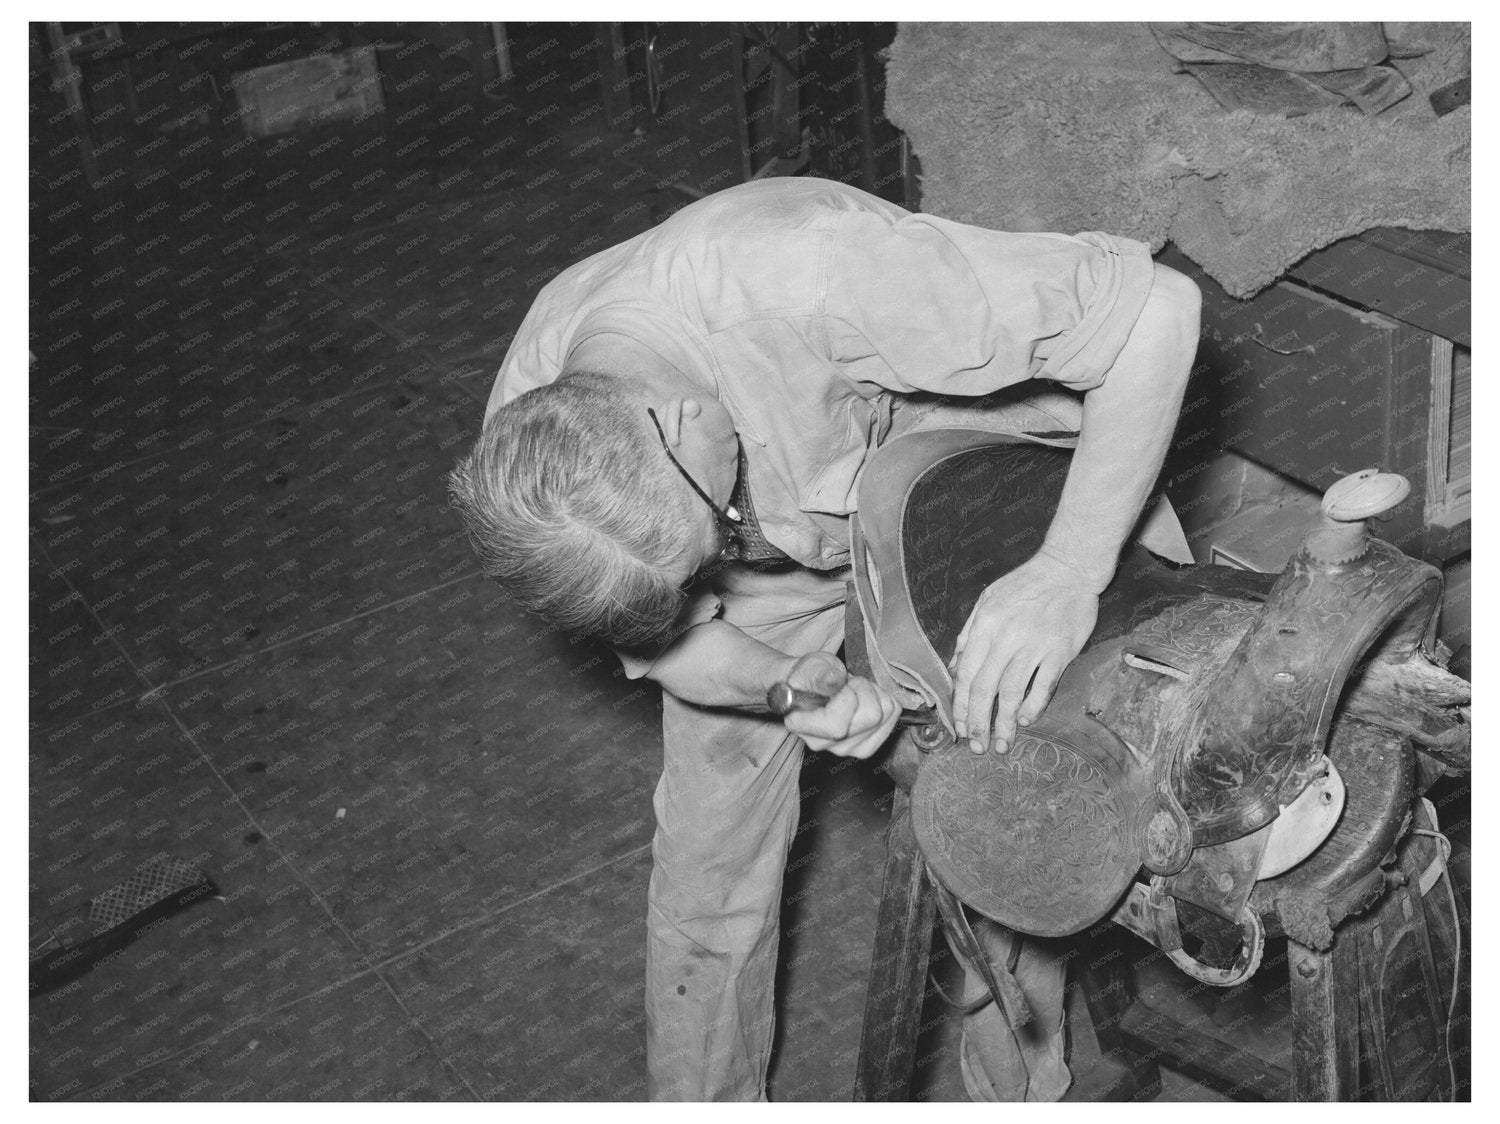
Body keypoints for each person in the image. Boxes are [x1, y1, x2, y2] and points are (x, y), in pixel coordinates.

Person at [449, 177, 1201, 1101]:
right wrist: (785, 684)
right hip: (788, 538)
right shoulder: (540, 469)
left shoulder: (819, 274)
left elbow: (1159, 313)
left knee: (1006, 779)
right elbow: (681, 645)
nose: (706, 575)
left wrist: (1067, 571)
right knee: (708, 862)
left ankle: (1019, 1093)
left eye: (705, 543)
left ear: (684, 421)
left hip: (956, 462)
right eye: (689, 581)